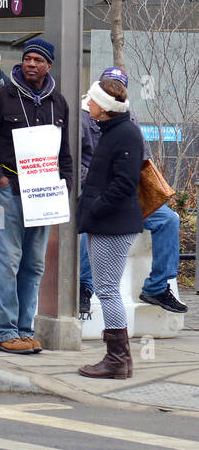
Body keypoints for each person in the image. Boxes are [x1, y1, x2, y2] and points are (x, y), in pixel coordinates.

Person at [0, 38, 73, 355]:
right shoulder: (1, 97)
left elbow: (64, 154)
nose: (31, 64)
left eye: (38, 60)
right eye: (27, 58)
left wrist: (63, 188)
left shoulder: (59, 104)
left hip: (42, 198)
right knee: (6, 263)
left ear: (48, 66)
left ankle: (24, 331)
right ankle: (2, 332)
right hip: (7, 195)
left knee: (33, 266)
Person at [78, 66, 187, 314]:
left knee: (169, 219)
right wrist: (96, 193)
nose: (117, 90)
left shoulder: (130, 120)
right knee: (89, 223)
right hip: (95, 192)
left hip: (126, 194)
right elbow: (74, 162)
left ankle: (157, 287)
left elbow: (141, 161)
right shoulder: (84, 116)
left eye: (120, 86)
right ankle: (84, 287)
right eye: (111, 85)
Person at [77, 75, 144, 379]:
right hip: (108, 222)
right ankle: (121, 360)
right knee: (107, 289)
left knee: (106, 290)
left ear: (103, 108)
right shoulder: (114, 130)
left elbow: (125, 183)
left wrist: (96, 208)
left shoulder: (125, 133)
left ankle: (117, 359)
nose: (87, 104)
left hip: (113, 225)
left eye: (91, 100)